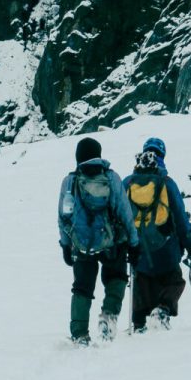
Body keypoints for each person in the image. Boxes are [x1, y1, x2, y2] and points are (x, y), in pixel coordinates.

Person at [58, 137, 136, 344]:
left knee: (82, 287)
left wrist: (65, 245)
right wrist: (133, 242)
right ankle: (108, 317)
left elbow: (64, 216)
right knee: (116, 278)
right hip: (111, 242)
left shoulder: (70, 181)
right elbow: (124, 212)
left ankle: (79, 334)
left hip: (82, 244)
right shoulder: (111, 177)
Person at [123, 137, 191, 331]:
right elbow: (181, 219)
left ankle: (139, 322)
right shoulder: (166, 182)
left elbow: (119, 214)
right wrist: (190, 246)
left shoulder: (128, 182)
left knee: (142, 279)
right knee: (174, 279)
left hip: (137, 245)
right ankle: (163, 309)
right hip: (165, 246)